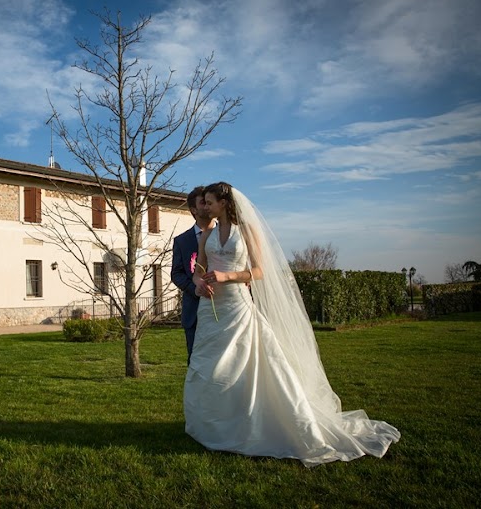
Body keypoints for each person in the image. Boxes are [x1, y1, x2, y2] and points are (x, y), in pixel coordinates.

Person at [184, 182, 400, 467]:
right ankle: (217, 425)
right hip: (212, 310)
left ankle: (255, 423)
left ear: (224, 203)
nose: (205, 207)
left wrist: (227, 277)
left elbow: (259, 271)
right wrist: (199, 284)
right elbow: (199, 268)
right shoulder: (208, 232)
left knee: (247, 364)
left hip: (237, 305)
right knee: (211, 367)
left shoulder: (246, 231)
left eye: (209, 202)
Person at [171, 186, 215, 364]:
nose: (208, 206)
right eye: (203, 202)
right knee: (197, 362)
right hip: (194, 312)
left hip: (225, 307)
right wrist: (194, 288)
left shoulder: (229, 236)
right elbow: (176, 273)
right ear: (194, 210)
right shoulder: (182, 241)